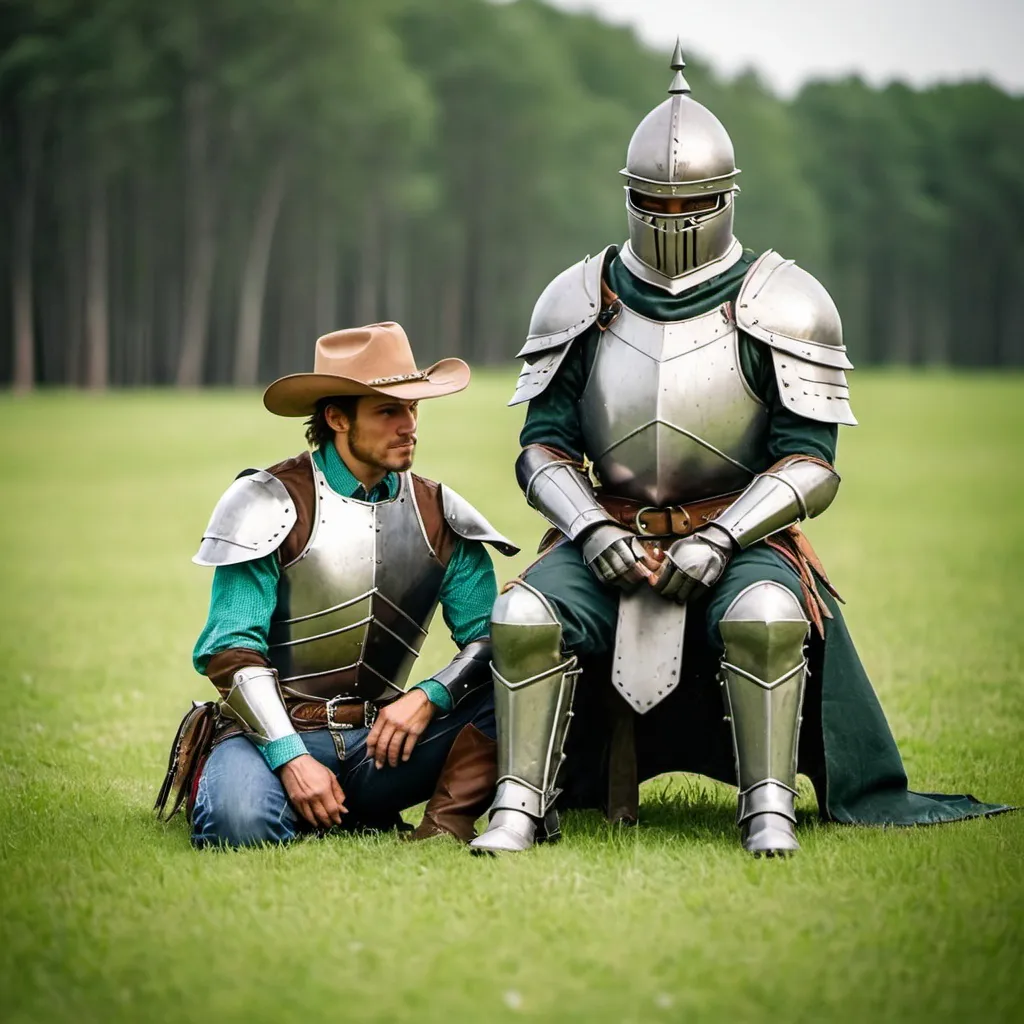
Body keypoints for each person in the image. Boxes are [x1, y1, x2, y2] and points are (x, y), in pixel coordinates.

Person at [469, 44, 1008, 856]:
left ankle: (768, 807)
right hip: (607, 527)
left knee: (766, 616)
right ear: (628, 196)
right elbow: (540, 446)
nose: (671, 216)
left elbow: (811, 462)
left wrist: (722, 536)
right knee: (519, 615)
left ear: (725, 197)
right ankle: (521, 803)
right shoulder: (578, 297)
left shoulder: (786, 303)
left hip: (740, 533)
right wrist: (591, 531)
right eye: (652, 198)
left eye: (690, 200)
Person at [156, 321, 518, 848]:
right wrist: (292, 759)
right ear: (336, 417)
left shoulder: (440, 514)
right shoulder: (268, 503)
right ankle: (299, 798)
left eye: (413, 408)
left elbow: (492, 639)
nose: (409, 425)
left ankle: (444, 824)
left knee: (522, 685)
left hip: (385, 743)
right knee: (239, 825)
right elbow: (230, 651)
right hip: (274, 736)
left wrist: (430, 696)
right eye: (388, 411)